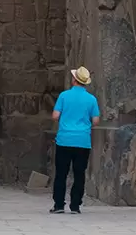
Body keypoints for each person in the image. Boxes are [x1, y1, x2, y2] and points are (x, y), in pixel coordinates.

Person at [51, 66, 100, 214]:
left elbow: (55, 116)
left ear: (74, 80)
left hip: (64, 139)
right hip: (82, 141)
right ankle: (75, 205)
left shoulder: (64, 96)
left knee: (61, 173)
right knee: (79, 174)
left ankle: (59, 205)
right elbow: (96, 120)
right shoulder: (91, 99)